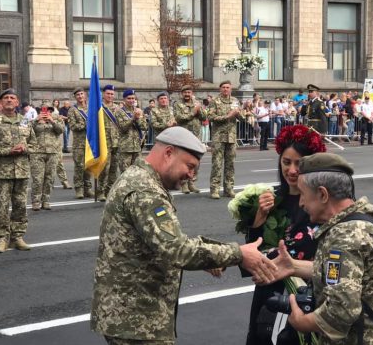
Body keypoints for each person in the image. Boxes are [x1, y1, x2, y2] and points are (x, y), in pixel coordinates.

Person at [90, 126, 277, 345]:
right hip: (137, 320)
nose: (191, 175)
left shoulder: (140, 178)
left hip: (131, 314)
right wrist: (238, 253)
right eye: (190, 166)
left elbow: (163, 240)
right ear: (168, 153)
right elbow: (177, 249)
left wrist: (210, 257)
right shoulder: (145, 191)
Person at [259, 153, 373, 345]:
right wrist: (294, 266)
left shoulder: (344, 237)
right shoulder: (361, 218)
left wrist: (302, 322)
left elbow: (341, 311)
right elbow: (349, 276)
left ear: (322, 194)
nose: (301, 202)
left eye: (303, 193)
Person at [244, 125, 326, 345]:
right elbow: (252, 253)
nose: (291, 170)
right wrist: (259, 216)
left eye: (299, 163)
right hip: (270, 291)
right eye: (286, 162)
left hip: (307, 293)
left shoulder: (322, 203)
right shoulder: (271, 198)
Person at [0, 89, 37, 253]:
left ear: (17, 102)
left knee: (20, 205)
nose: (8, 100)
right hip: (2, 171)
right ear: (0, 102)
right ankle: (2, 238)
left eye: (12, 98)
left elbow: (34, 144)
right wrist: (9, 151)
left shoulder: (25, 121)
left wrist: (25, 148)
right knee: (2, 205)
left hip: (21, 170)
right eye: (5, 98)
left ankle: (17, 237)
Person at [208, 80, 244, 199]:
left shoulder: (235, 101)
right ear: (220, 89)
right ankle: (215, 189)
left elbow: (242, 118)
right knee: (217, 164)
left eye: (227, 87)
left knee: (230, 164)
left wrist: (238, 113)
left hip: (231, 137)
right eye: (223, 87)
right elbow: (211, 117)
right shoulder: (215, 101)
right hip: (219, 136)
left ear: (231, 89)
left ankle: (229, 189)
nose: (225, 89)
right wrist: (228, 116)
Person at [173, 85, 206, 194]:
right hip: (183, 136)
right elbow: (179, 118)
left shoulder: (196, 103)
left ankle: (192, 182)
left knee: (195, 160)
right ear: (182, 93)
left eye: (189, 92)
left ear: (192, 93)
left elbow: (204, 117)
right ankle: (183, 183)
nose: (187, 94)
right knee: (183, 160)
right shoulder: (178, 104)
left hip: (195, 136)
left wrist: (199, 109)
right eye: (185, 92)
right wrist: (193, 112)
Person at [68, 87, 93, 199]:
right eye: (78, 95)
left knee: (88, 166)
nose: (80, 96)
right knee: (79, 166)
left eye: (82, 94)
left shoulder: (91, 108)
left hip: (90, 143)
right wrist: (85, 125)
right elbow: (73, 126)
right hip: (79, 144)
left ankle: (88, 188)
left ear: (85, 95)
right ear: (75, 97)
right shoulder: (72, 110)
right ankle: (79, 189)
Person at [115, 88, 148, 172]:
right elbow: (123, 128)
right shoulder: (120, 112)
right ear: (124, 99)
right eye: (129, 98)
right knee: (125, 174)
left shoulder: (138, 111)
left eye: (133, 98)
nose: (131, 100)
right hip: (125, 148)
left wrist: (139, 118)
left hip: (137, 148)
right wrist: (133, 118)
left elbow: (144, 127)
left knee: (136, 174)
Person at [97, 84, 120, 202]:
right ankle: (100, 191)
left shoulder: (118, 108)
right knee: (104, 168)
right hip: (104, 141)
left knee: (113, 169)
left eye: (112, 94)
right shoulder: (98, 107)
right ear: (103, 94)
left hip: (116, 142)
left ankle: (110, 191)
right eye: (108, 93)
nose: (110, 96)